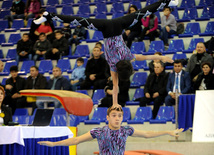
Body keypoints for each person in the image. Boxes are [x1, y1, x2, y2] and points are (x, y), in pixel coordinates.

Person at [34, 0, 178, 108]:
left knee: (144, 12)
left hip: (119, 24)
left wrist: (163, 57)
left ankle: (167, 1)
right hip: (106, 29)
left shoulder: (130, 58)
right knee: (78, 21)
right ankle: (48, 15)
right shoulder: (113, 66)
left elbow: (148, 56)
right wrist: (115, 103)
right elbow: (115, 87)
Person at [38, 106, 184, 154]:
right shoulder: (99, 131)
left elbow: (146, 134)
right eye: (114, 115)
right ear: (107, 117)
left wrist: (168, 132)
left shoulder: (126, 130)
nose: (117, 118)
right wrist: (54, 144)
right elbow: (76, 140)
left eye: (120, 116)